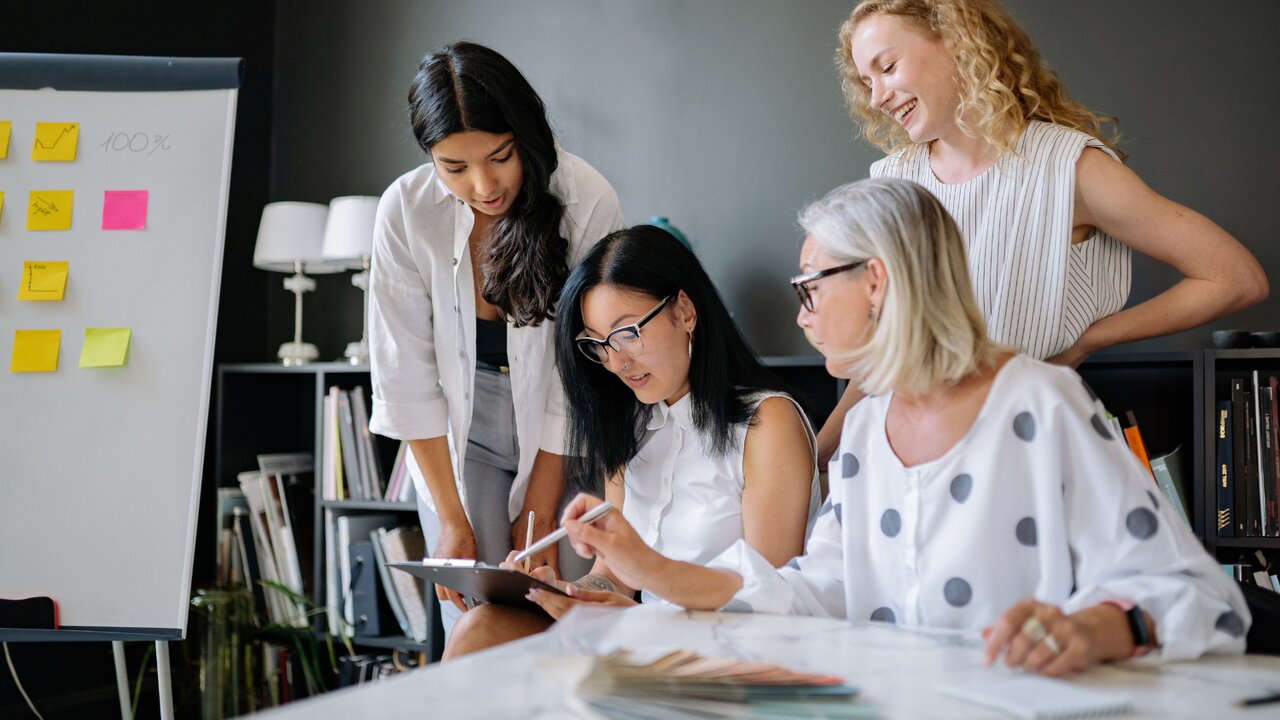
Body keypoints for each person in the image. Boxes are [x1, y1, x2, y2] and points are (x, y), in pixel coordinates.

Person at [556, 179, 1250, 677]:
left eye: (811, 288)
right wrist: (647, 568)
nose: (802, 314)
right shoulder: (862, 435)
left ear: (877, 282)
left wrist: (1096, 627)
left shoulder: (1041, 402)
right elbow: (811, 590)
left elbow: (1201, 597)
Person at [813, 0, 1268, 463]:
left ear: (956, 39)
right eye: (867, 83)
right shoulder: (891, 185)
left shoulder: (1069, 170)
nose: (876, 98)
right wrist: (817, 458)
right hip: (902, 458)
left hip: (1021, 452)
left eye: (887, 67)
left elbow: (1234, 278)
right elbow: (882, 361)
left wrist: (1089, 339)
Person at [441, 225, 821, 658]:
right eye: (599, 344)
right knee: (481, 626)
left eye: (628, 333)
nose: (616, 361)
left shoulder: (767, 422)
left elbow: (767, 594)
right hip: (646, 633)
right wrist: (557, 591)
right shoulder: (632, 426)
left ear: (685, 311)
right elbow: (612, 576)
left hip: (730, 644)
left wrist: (637, 617)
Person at [366, 41, 624, 632]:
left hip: (566, 432)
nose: (483, 185)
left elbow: (575, 370)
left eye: (500, 157)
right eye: (454, 168)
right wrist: (451, 516)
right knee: (476, 613)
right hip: (462, 433)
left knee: (558, 610)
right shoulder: (405, 211)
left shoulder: (587, 198)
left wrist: (539, 503)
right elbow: (403, 374)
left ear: (525, 135)